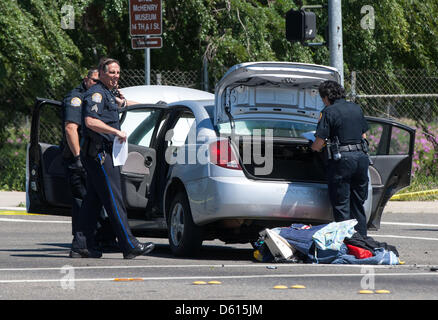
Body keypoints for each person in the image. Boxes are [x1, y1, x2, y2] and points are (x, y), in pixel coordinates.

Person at [70, 58, 154, 259]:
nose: (116, 76)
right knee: (114, 198)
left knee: (93, 201)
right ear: (101, 73)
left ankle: (81, 244)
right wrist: (116, 132)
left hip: (102, 153)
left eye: (118, 72)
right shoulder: (96, 94)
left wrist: (149, 106)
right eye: (112, 73)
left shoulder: (108, 94)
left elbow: (122, 105)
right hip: (100, 154)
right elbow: (90, 121)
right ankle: (129, 244)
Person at [62, 69, 117, 252]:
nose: (97, 83)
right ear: (86, 80)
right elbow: (71, 128)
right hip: (78, 158)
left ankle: (97, 240)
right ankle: (82, 243)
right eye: (94, 80)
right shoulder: (76, 98)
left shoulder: (100, 96)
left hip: (92, 156)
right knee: (83, 202)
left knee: (94, 200)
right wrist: (78, 158)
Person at [311, 80, 369, 236]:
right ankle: (362, 242)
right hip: (361, 159)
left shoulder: (329, 111)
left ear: (326, 97)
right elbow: (363, 136)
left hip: (342, 162)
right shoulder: (356, 108)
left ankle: (347, 243)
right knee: (358, 204)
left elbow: (318, 144)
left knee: (342, 205)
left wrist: (311, 148)